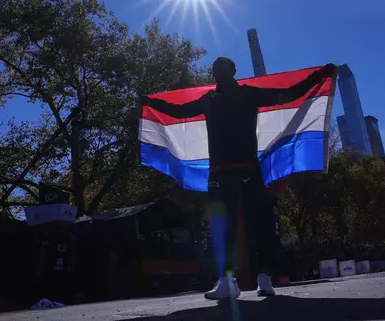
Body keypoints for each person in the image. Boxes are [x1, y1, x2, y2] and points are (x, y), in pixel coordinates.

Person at [142, 57, 336, 299]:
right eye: (215, 69)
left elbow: (287, 95)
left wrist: (318, 78)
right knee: (225, 228)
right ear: (213, 74)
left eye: (222, 68)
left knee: (260, 224)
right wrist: (151, 103)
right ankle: (227, 281)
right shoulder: (209, 100)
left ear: (233, 71)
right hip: (221, 173)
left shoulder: (249, 94)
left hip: (247, 170)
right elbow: (180, 111)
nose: (218, 72)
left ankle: (264, 278)